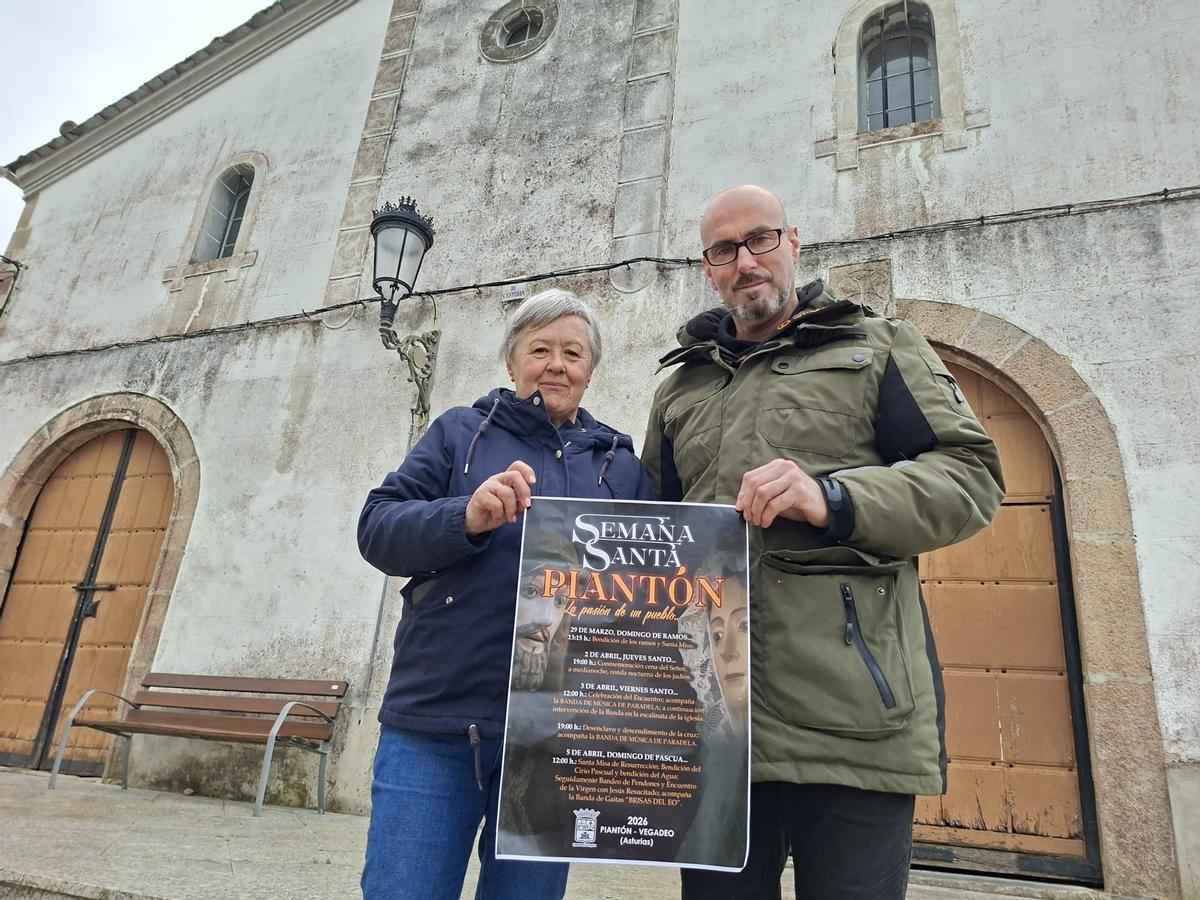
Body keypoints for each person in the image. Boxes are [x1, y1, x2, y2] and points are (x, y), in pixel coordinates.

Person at [642, 185, 1004, 899]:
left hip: (852, 726)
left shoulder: (878, 344)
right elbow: (655, 532)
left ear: (795, 242)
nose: (746, 261)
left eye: (761, 240)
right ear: (708, 268)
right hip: (718, 733)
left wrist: (836, 499)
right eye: (724, 250)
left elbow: (970, 478)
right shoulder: (680, 385)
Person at [358, 288, 655, 900]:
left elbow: (656, 584)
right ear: (512, 362)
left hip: (555, 740)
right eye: (539, 348)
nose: (556, 364)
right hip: (437, 722)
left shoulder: (620, 465)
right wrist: (463, 517)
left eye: (573, 353)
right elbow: (378, 528)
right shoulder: (458, 434)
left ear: (590, 370)